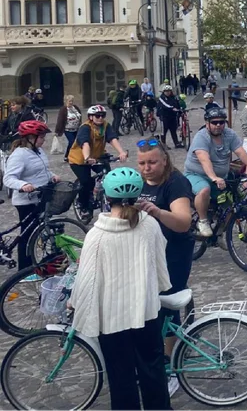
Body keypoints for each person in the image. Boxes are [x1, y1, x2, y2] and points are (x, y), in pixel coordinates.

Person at [70, 167, 173, 411]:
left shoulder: (97, 235)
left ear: (107, 197)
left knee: (121, 378)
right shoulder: (149, 226)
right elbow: (160, 267)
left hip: (111, 319)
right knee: (153, 371)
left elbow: (87, 278)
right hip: (146, 313)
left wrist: (75, 302)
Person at [134, 139, 195, 389]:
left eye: (152, 162)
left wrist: (157, 212)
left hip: (175, 250)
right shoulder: (139, 182)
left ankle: (170, 365)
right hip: (148, 251)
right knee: (151, 305)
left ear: (164, 160)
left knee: (168, 306)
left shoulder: (175, 183)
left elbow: (183, 221)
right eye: (142, 163)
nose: (146, 168)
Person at [183, 107, 247, 237]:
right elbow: (204, 159)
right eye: (214, 122)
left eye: (221, 122)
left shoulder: (229, 134)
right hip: (196, 174)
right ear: (207, 123)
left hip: (221, 176)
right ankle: (202, 221)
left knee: (233, 202)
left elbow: (241, 152)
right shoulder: (201, 137)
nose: (218, 125)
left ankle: (219, 233)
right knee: (204, 190)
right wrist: (214, 177)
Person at [2, 120, 59, 269]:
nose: (43, 140)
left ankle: (35, 263)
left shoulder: (38, 151)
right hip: (26, 201)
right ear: (30, 138)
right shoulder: (19, 155)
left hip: (40, 197)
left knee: (35, 233)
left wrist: (51, 175)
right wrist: (23, 185)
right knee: (26, 236)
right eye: (41, 137)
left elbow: (41, 170)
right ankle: (24, 270)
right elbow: (8, 178)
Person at [68, 105, 128, 216]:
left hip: (97, 157)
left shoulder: (105, 126)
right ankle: (83, 205)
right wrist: (87, 157)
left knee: (109, 177)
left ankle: (108, 199)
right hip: (79, 159)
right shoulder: (85, 127)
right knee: (86, 182)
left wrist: (121, 152)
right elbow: (85, 143)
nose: (100, 118)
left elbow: (112, 138)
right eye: (97, 116)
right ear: (91, 117)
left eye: (103, 115)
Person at [55, 94, 83, 163]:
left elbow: (80, 116)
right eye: (69, 101)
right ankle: (68, 156)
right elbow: (60, 120)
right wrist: (57, 131)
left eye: (72, 101)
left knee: (76, 142)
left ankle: (72, 155)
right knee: (72, 142)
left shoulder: (75, 108)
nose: (71, 102)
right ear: (66, 101)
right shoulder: (63, 109)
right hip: (68, 129)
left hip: (76, 129)